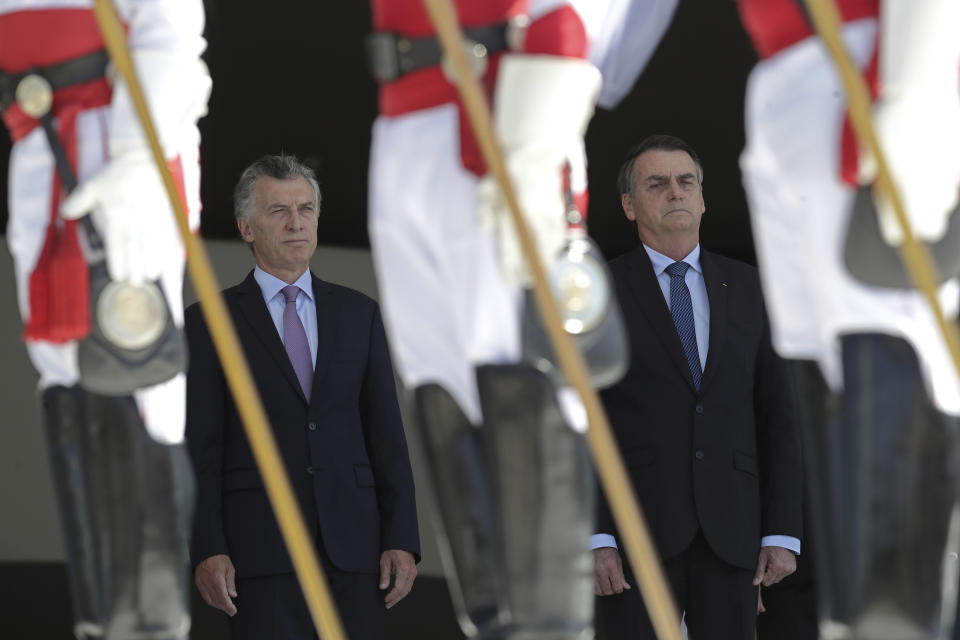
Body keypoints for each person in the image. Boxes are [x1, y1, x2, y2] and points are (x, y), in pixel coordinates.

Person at [366, 1, 680, 637]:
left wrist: (540, 130)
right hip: (405, 117)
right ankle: (494, 625)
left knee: (525, 382)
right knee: (441, 391)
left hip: (506, 113)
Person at [738, 0, 960, 636]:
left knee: (894, 366)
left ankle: (901, 622)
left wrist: (916, 80)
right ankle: (859, 620)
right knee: (821, 376)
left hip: (878, 63)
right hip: (787, 76)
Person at [0, 1, 210, 638]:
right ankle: (103, 622)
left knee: (129, 370)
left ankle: (146, 626)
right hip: (37, 131)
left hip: (110, 133)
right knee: (66, 377)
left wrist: (140, 154)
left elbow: (169, 22)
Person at [185, 154, 420, 640]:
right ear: (247, 227)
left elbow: (386, 434)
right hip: (259, 553)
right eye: (279, 212)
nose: (296, 223)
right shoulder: (210, 321)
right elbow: (200, 448)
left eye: (306, 209)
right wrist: (207, 546)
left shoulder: (360, 314)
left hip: (355, 553)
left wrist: (402, 538)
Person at [591, 134, 803, 640]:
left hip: (732, 531)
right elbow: (581, 420)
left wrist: (781, 531)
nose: (675, 193)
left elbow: (779, 414)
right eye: (657, 184)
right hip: (634, 532)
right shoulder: (598, 289)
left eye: (686, 182)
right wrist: (596, 533)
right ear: (628, 204)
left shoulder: (752, 287)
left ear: (703, 199)